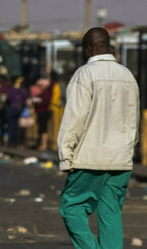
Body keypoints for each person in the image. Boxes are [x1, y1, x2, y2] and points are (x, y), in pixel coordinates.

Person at [58, 27, 139, 249]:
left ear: (88, 49)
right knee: (110, 213)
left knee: (71, 207)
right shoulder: (127, 75)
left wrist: (66, 155)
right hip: (121, 159)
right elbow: (133, 121)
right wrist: (128, 151)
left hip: (89, 157)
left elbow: (74, 118)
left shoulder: (85, 74)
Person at [5, 77, 28, 147]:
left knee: (11, 126)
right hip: (19, 109)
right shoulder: (22, 91)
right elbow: (25, 100)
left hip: (12, 109)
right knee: (16, 126)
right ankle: (15, 142)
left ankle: (11, 142)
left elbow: (8, 99)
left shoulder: (11, 90)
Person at [32, 78, 52, 150]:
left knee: (43, 129)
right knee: (41, 128)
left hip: (44, 112)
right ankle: (41, 144)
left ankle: (44, 145)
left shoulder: (46, 93)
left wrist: (36, 101)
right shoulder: (42, 93)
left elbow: (44, 102)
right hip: (40, 112)